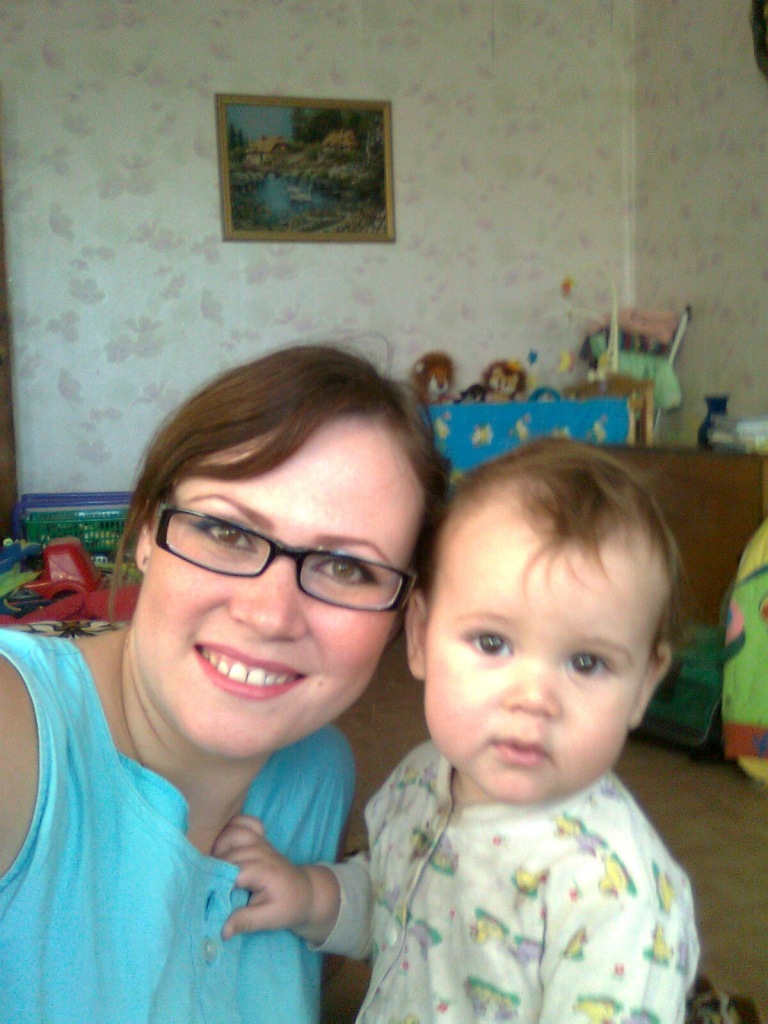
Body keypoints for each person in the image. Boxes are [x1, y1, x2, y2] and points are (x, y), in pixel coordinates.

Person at [0, 343, 448, 1024]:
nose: (269, 615)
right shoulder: (19, 736)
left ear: (402, 619)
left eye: (346, 568)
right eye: (227, 531)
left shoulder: (320, 775)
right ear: (145, 530)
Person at [215, 437, 701, 1024]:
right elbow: (398, 903)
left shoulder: (619, 900)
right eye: (492, 643)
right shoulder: (423, 776)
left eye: (587, 662)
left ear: (644, 685)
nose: (534, 698)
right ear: (420, 637)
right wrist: (310, 897)